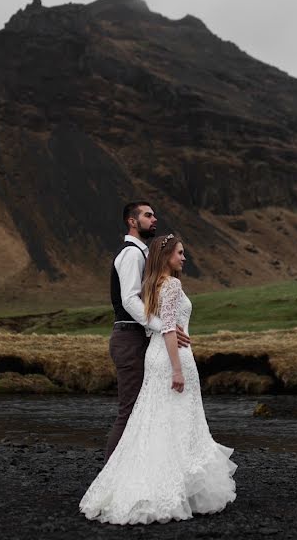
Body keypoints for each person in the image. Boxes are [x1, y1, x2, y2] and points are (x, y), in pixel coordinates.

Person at [81, 233, 237, 524]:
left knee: (153, 420)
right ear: (166, 257)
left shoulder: (151, 284)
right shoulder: (173, 284)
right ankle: (172, 490)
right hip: (171, 357)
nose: (184, 257)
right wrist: (177, 369)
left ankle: (150, 484)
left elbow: (157, 324)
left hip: (155, 356)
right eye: (180, 253)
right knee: (178, 419)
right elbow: (168, 329)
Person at [105, 202, 189, 461]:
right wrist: (162, 325)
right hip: (130, 336)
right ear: (132, 221)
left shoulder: (145, 255)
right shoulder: (131, 254)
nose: (154, 219)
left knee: (145, 411)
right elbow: (130, 300)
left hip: (142, 338)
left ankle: (141, 470)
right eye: (147, 215)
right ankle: (111, 479)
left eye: (154, 215)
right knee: (130, 411)